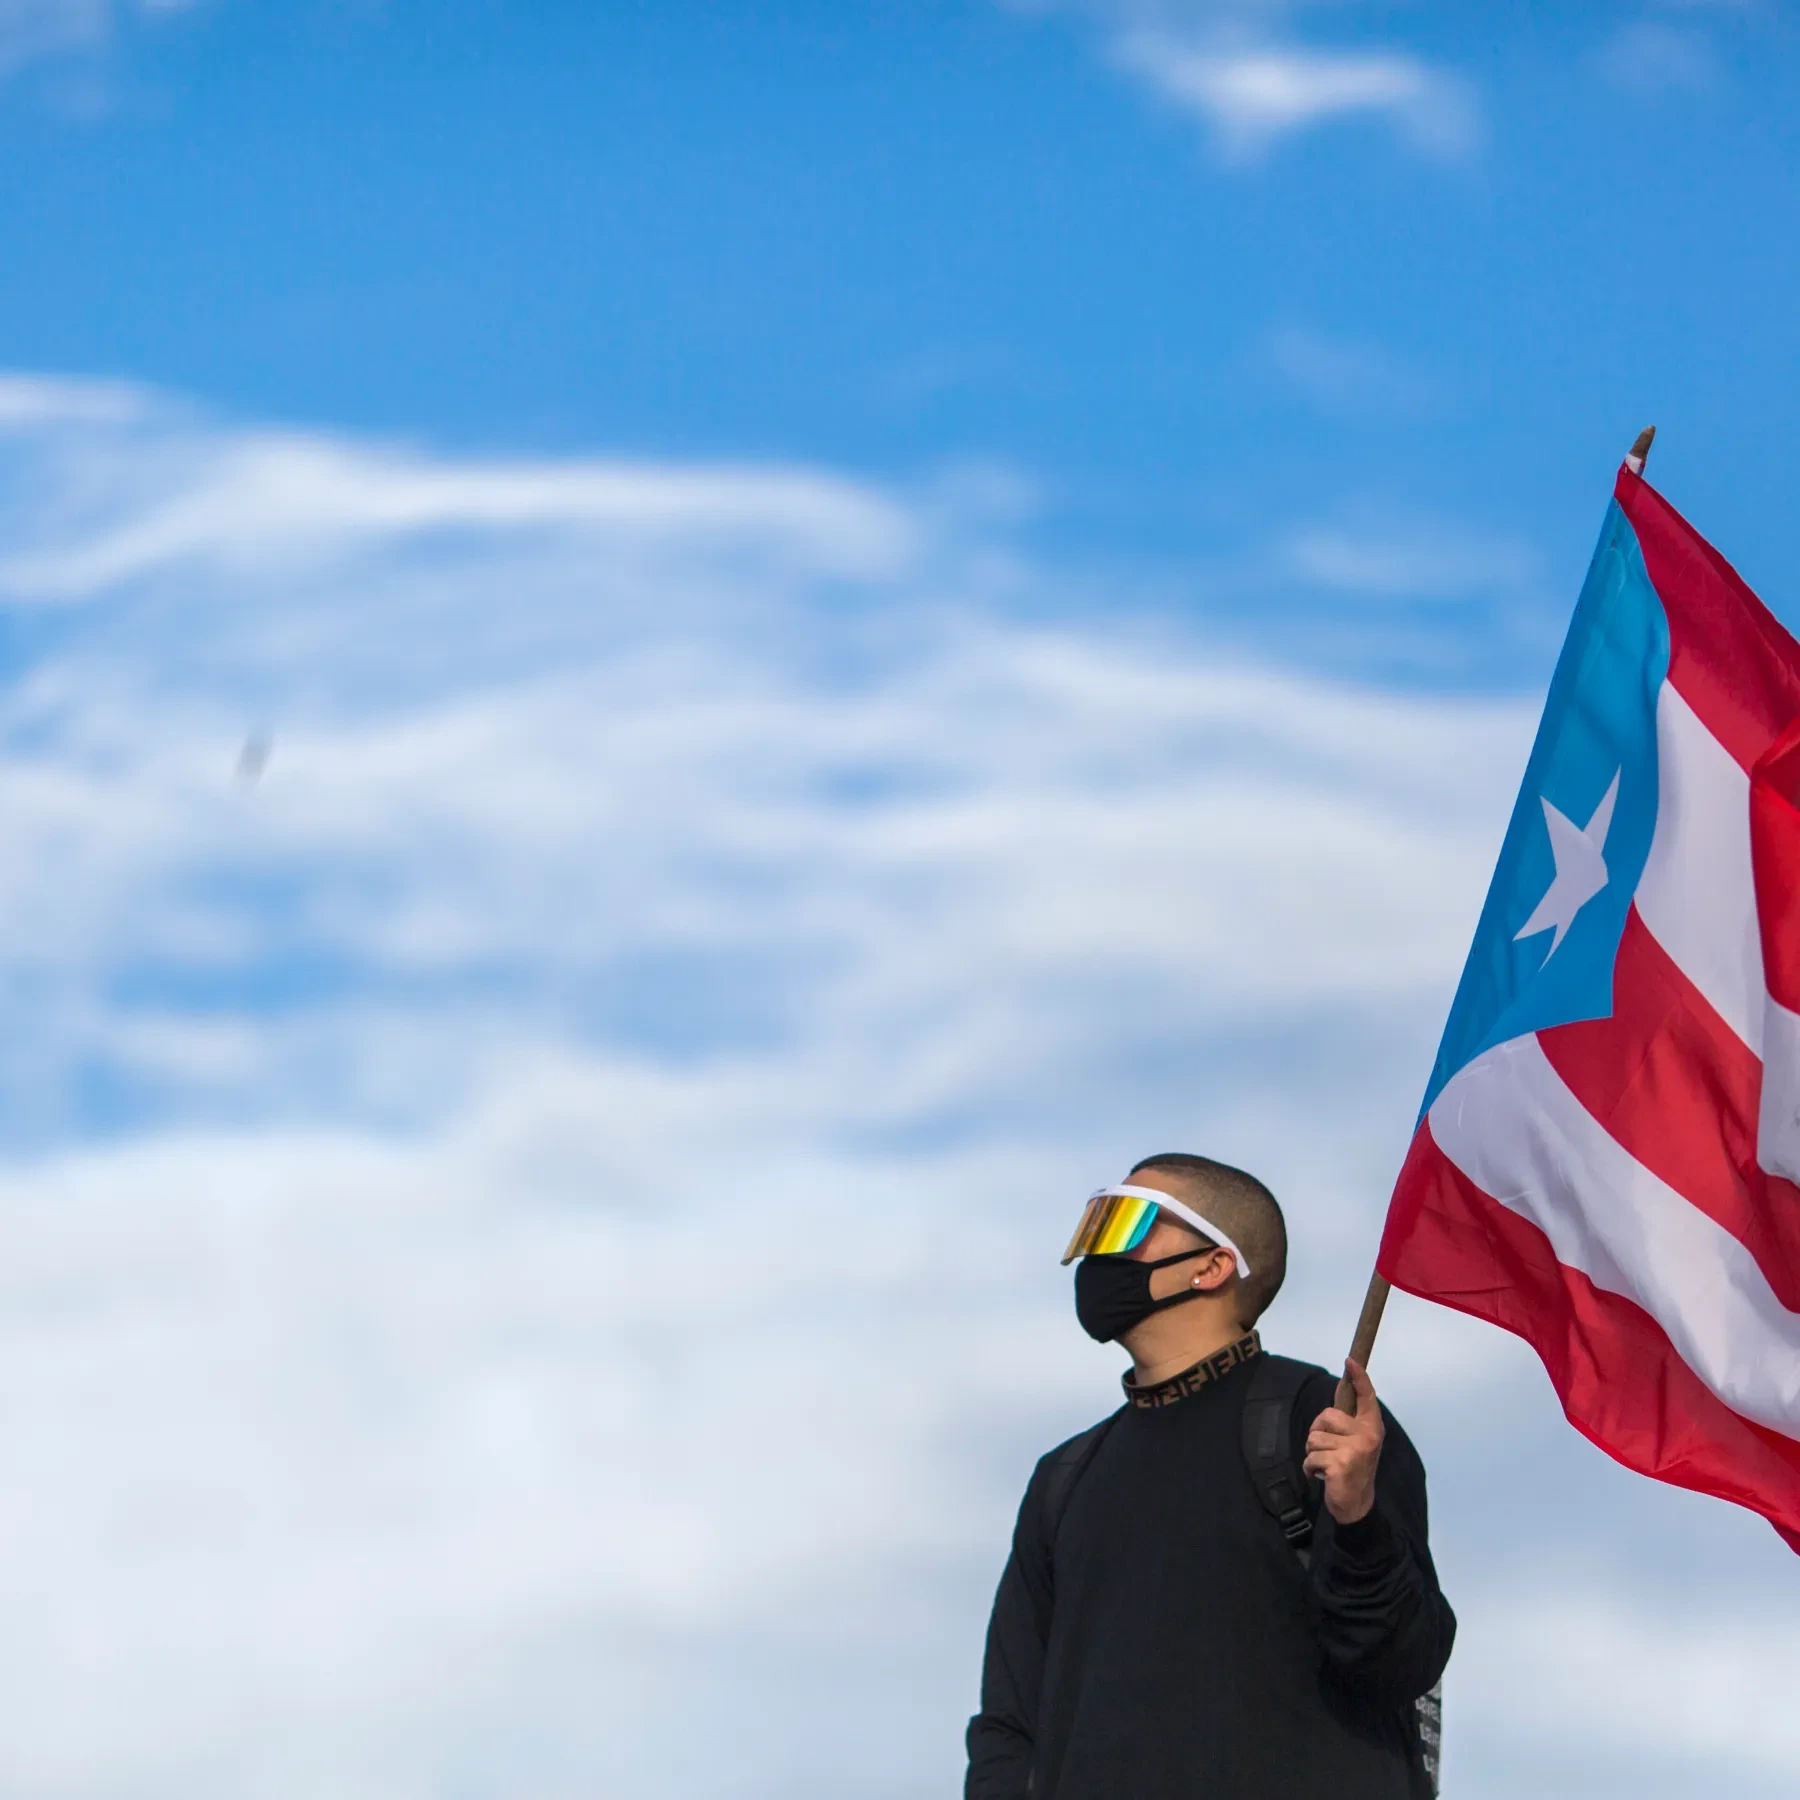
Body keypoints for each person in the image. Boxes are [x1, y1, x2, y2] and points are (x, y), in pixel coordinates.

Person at [965, 1153, 1455, 1800]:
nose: (1098, 1255)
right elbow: (1008, 1725)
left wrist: (1358, 1520)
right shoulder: (1063, 1479)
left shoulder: (1324, 1423)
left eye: (1125, 1224)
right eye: (1096, 1225)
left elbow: (1402, 1661)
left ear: (1213, 1265)